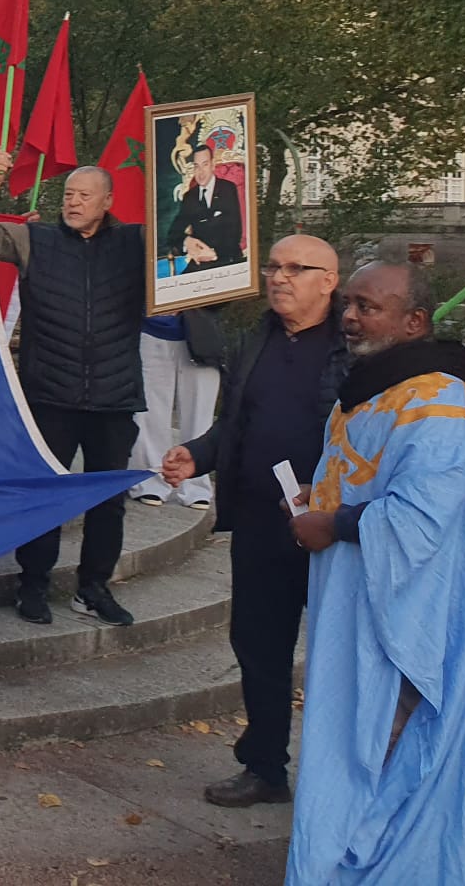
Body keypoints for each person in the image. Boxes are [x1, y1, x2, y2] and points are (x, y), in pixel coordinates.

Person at [284, 261, 465, 885]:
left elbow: (421, 517)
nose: (350, 317)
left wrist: (333, 525)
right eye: (348, 303)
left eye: (368, 307)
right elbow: (357, 477)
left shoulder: (442, 402)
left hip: (404, 614)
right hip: (352, 601)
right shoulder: (372, 390)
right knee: (349, 739)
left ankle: (383, 867)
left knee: (388, 742)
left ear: (414, 322)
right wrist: (311, 496)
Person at [162, 234, 345, 808]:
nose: (279, 277)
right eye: (273, 267)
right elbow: (236, 421)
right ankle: (266, 767)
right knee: (260, 648)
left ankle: (343, 777)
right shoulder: (254, 341)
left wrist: (337, 503)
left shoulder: (354, 347)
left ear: (329, 281)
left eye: (296, 268)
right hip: (264, 524)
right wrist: (200, 452)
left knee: (342, 651)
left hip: (335, 531)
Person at [0, 155, 146, 628]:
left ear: (108, 202)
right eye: (69, 194)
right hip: (50, 392)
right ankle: (32, 584)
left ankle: (93, 589)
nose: (73, 202)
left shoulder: (136, 244)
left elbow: (191, 248)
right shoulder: (37, 239)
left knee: (107, 502)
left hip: (114, 397)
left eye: (84, 195)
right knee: (45, 495)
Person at [128, 306, 223, 509]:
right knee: (149, 413)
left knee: (200, 414)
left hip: (201, 334)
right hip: (150, 328)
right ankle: (150, 480)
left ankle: (197, 485)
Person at [162, 143, 244, 271]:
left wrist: (213, 253)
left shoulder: (228, 189)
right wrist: (186, 242)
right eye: (196, 166)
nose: (200, 172)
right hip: (199, 263)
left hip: (227, 258)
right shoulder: (190, 196)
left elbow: (235, 233)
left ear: (212, 165)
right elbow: (173, 234)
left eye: (205, 165)